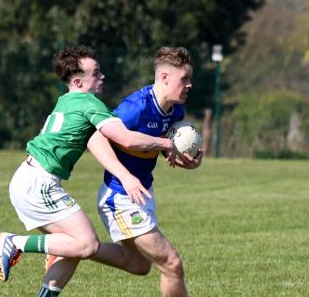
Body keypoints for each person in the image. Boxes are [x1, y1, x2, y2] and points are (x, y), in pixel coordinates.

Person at [0, 45, 179, 297]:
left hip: (30, 180)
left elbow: (98, 141)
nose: (102, 76)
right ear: (78, 81)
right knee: (87, 243)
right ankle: (15, 242)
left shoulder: (67, 100)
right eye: (96, 73)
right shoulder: (88, 103)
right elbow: (125, 139)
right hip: (39, 184)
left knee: (74, 249)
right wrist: (167, 143)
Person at [45, 46, 203, 297]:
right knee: (171, 264)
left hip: (142, 193)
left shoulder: (176, 111)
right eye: (184, 79)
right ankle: (71, 247)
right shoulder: (135, 108)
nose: (189, 85)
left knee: (139, 265)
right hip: (119, 198)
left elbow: (156, 144)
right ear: (164, 78)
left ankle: (70, 248)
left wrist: (182, 159)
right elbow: (94, 137)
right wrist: (124, 175)